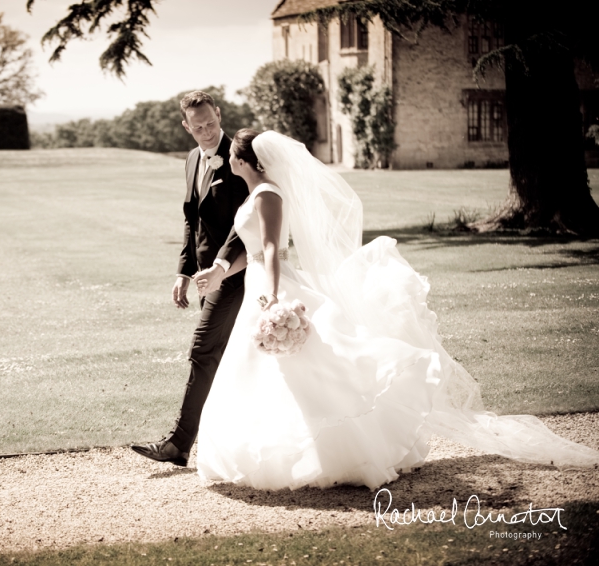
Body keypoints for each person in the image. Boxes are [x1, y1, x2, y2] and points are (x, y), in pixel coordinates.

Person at [192, 129, 599, 490]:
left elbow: (270, 248)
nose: (228, 157)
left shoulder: (268, 195)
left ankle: (344, 445)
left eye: (233, 154)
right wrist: (221, 273)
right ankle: (283, 449)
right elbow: (248, 248)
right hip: (256, 285)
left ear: (245, 160)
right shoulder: (255, 194)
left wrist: (275, 295)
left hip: (270, 288)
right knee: (274, 371)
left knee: (313, 365)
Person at [131, 91, 250, 467]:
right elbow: (191, 219)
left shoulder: (240, 158)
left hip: (235, 274)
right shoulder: (192, 158)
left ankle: (178, 444)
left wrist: (220, 267)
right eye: (197, 127)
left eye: (211, 123)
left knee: (203, 352)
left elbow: (244, 222)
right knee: (233, 358)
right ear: (186, 126)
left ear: (219, 114)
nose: (206, 132)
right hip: (204, 277)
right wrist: (183, 272)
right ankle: (241, 439)